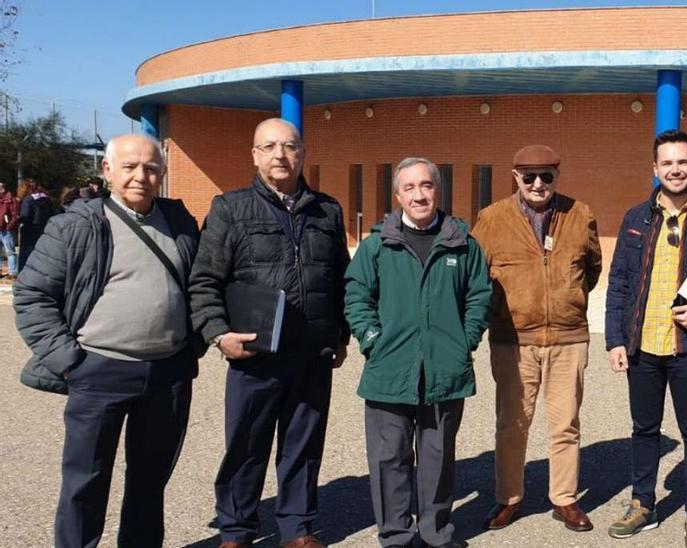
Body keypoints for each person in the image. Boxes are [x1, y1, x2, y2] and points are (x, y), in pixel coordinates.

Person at [14, 134, 203, 548]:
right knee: (85, 481)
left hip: (167, 372)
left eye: (151, 168)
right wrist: (69, 361)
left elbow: (203, 286)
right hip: (97, 370)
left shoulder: (180, 223)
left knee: (150, 482)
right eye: (130, 167)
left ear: (163, 173)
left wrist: (197, 344)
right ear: (107, 170)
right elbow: (32, 296)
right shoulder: (76, 225)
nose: (141, 176)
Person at [188, 118, 351, 548]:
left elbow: (340, 280)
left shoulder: (327, 211)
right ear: (255, 155)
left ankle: (297, 528)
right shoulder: (230, 208)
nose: (281, 154)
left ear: (303, 155)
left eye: (290, 146)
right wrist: (218, 333)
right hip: (254, 354)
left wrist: (341, 335)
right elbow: (205, 280)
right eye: (270, 146)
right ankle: (237, 531)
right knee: (246, 447)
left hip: (311, 354)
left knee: (303, 445)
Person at [603, 130, 687, 548]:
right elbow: (619, 283)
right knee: (644, 428)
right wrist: (613, 340)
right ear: (655, 169)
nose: (675, 169)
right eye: (667, 163)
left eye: (683, 162)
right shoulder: (634, 219)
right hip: (642, 346)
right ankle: (643, 503)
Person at [346, 157, 491, 548]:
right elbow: (356, 295)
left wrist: (465, 339)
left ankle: (436, 532)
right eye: (409, 188)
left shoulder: (463, 244)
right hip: (389, 370)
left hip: (445, 371)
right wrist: (372, 338)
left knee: (437, 459)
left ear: (437, 191)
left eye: (425, 186)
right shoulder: (378, 245)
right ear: (397, 196)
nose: (418, 194)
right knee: (388, 459)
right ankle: (395, 535)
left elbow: (479, 296)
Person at [471, 144, 602, 533]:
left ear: (557, 176)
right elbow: (476, 276)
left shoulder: (580, 214)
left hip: (568, 338)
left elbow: (591, 270)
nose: (538, 184)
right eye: (529, 177)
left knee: (566, 424)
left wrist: (567, 299)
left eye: (546, 176)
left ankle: (564, 498)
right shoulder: (492, 219)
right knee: (512, 423)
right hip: (514, 339)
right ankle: (508, 498)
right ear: (515, 178)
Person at [17, 178, 56, 272]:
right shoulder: (48, 200)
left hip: (29, 233)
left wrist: (17, 218)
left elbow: (25, 217)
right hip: (44, 232)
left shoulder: (28, 200)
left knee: (25, 258)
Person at [0, 182, 18, 277]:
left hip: (7, 231)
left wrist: (9, 226)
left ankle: (13, 272)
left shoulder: (11, 200)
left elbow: (15, 216)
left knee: (10, 252)